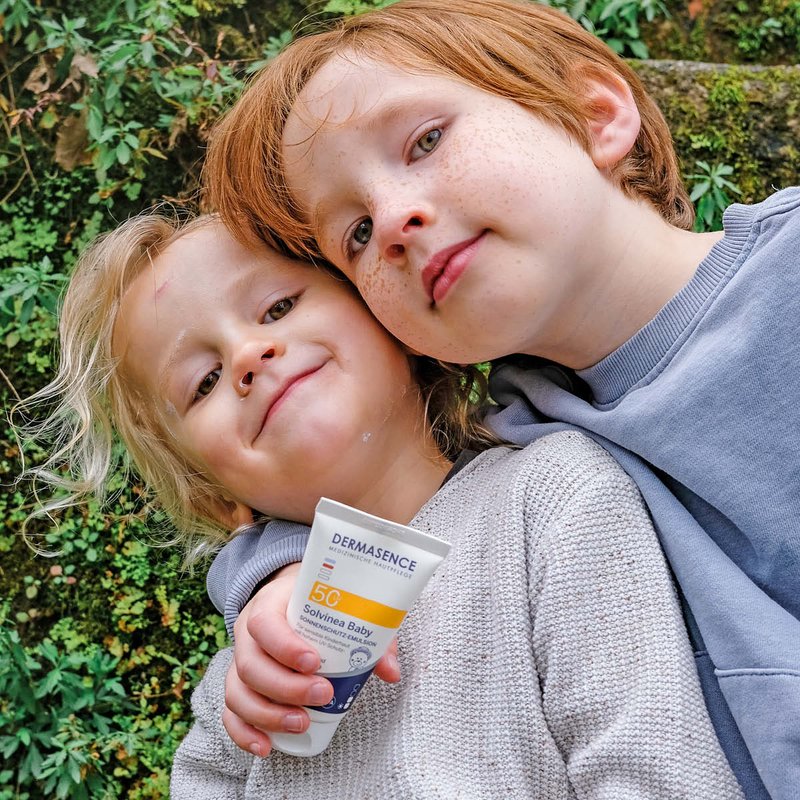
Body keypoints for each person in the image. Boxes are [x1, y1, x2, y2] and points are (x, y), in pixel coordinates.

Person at [201, 1, 800, 797]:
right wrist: (278, 582)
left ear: (596, 113)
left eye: (425, 141)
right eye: (352, 234)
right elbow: (373, 496)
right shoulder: (520, 437)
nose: (391, 221)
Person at [17, 212, 741, 798]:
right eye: (202, 382)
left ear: (386, 314)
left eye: (277, 305)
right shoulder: (243, 689)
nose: (248, 356)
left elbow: (659, 767)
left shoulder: (552, 498)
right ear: (212, 493)